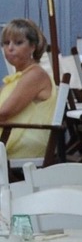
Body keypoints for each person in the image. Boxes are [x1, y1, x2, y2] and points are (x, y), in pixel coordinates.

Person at [0, 18, 57, 160]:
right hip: (8, 138)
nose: (10, 48)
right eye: (6, 43)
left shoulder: (35, 75)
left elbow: (4, 113)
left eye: (18, 43)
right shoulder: (16, 77)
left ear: (32, 46)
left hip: (23, 143)